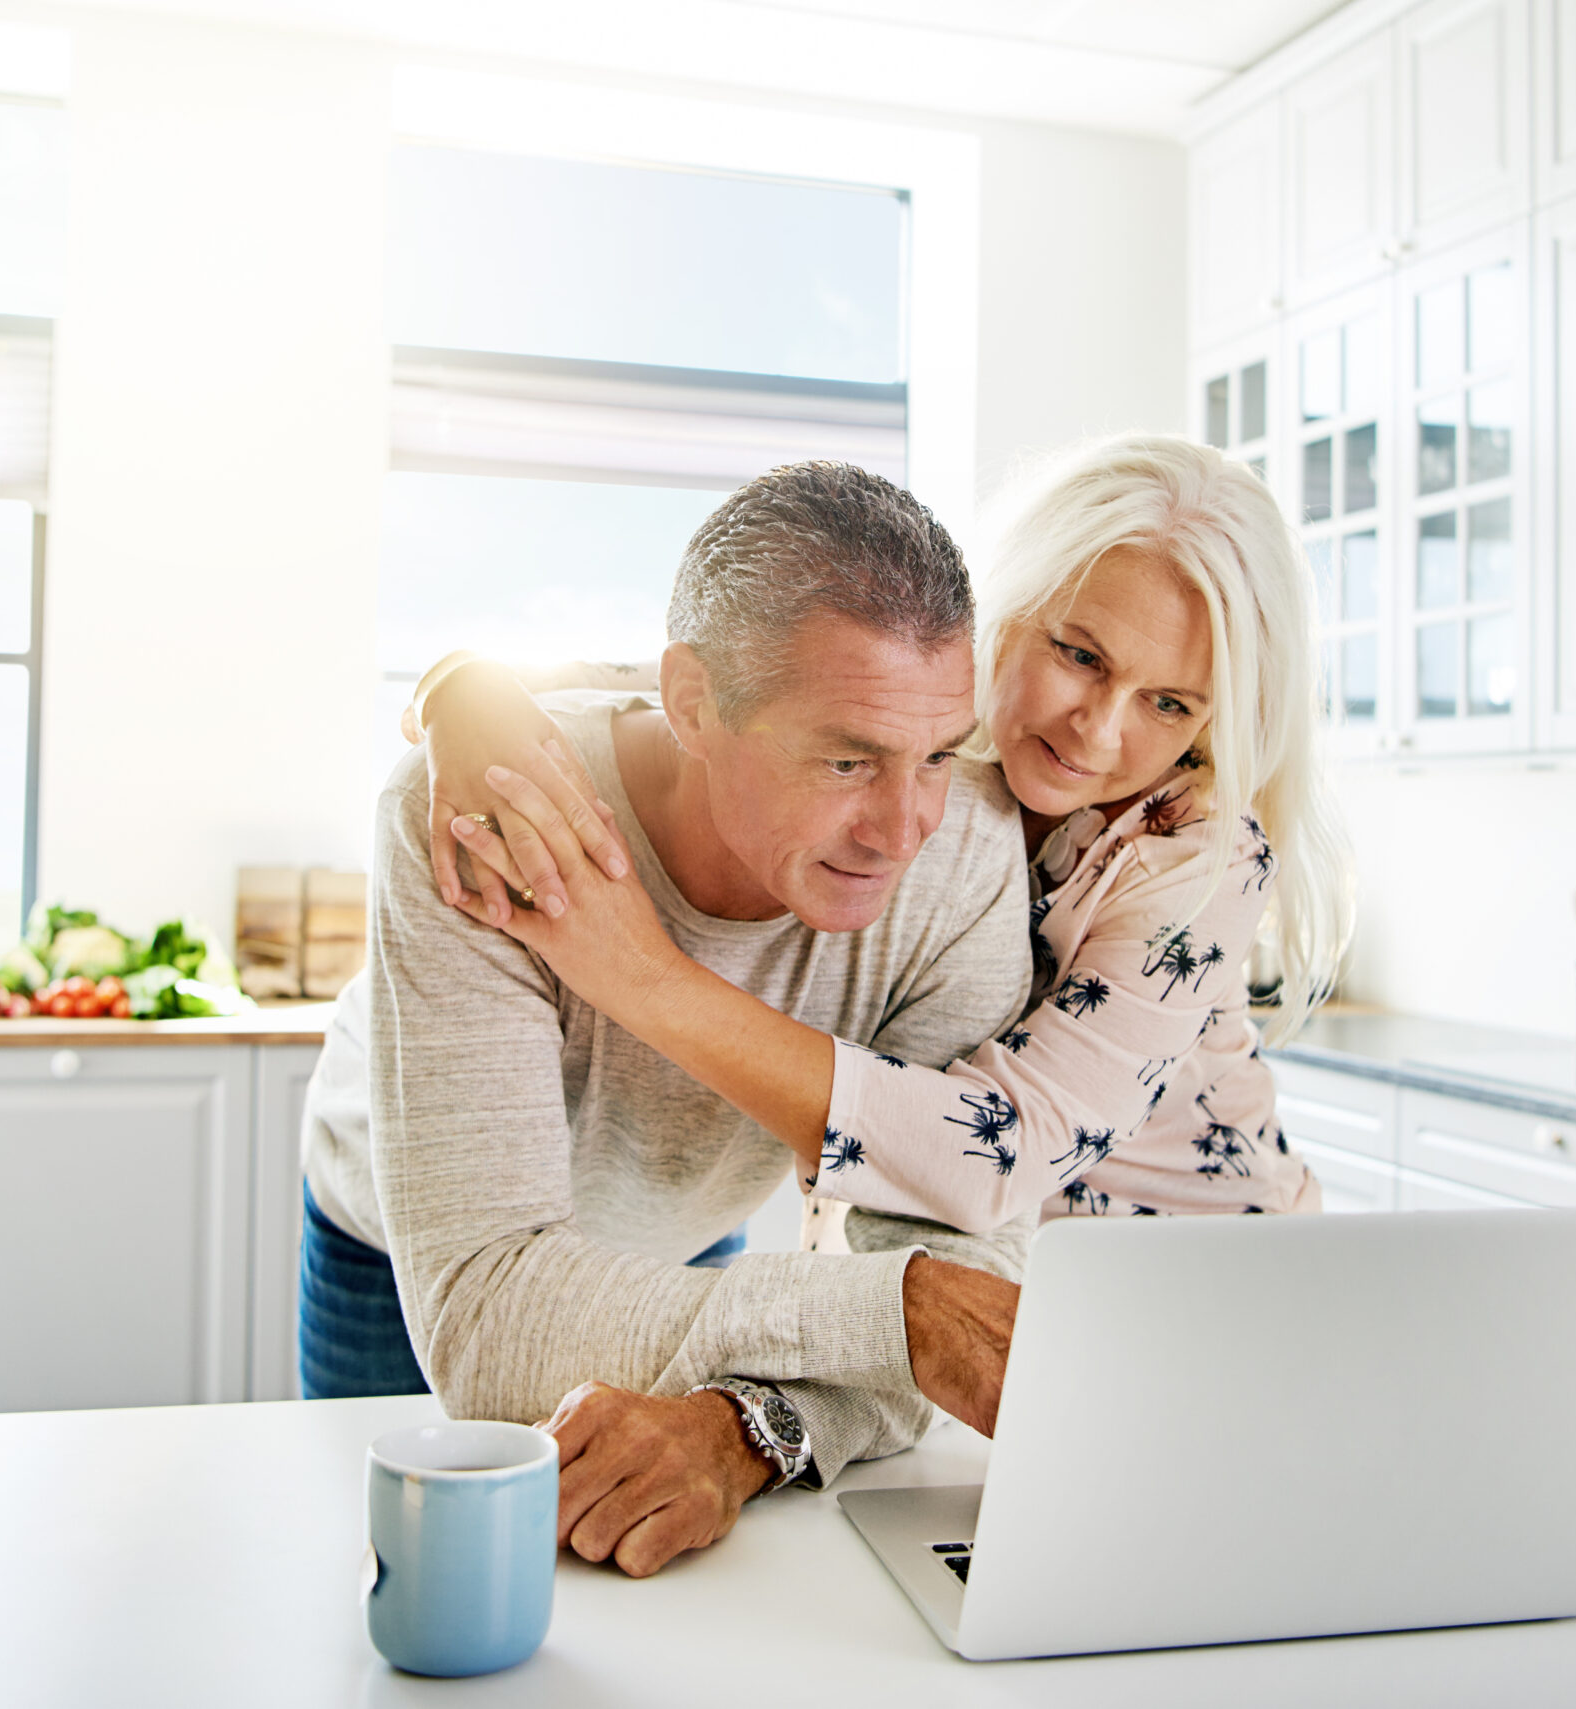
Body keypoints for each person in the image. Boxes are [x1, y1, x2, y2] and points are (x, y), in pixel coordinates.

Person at [297, 462, 1034, 1582]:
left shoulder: (970, 861)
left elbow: (964, 1302)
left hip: (689, 1241)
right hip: (406, 1254)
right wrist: (900, 1313)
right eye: (847, 758)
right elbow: (487, 1318)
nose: (904, 826)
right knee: (397, 1598)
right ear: (691, 702)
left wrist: (751, 1423)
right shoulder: (487, 810)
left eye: (937, 752)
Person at [425, 434, 1355, 1242]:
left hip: (1203, 1265)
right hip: (988, 1280)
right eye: (1080, 655)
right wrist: (466, 689)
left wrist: (641, 974)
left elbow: (1003, 1150)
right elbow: (738, 683)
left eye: (1168, 702)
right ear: (1009, 608)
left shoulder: (1201, 854)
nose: (1099, 730)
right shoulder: (937, 722)